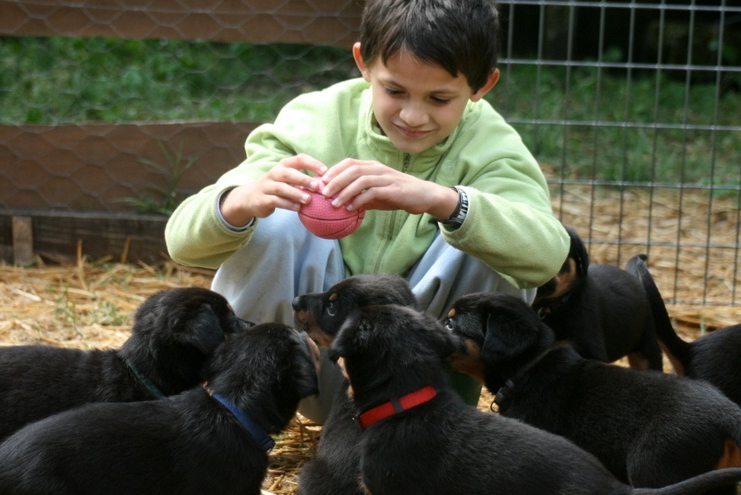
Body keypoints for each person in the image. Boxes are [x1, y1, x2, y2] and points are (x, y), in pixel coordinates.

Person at [165, 0, 570, 423]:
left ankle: (430, 422)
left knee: (490, 228)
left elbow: (545, 260)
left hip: (419, 388)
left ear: (482, 85)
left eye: (440, 98)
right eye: (394, 90)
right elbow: (181, 244)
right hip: (306, 371)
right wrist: (240, 203)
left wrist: (444, 201)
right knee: (276, 213)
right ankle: (244, 402)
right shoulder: (313, 122)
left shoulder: (494, 148)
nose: (413, 115)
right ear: (363, 63)